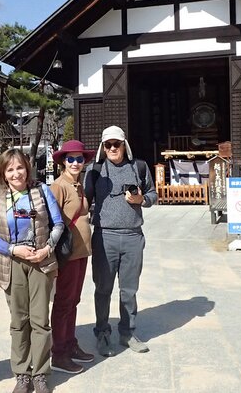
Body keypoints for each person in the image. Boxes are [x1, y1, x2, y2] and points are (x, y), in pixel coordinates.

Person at [0, 149, 64, 393]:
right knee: (19, 322)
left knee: (41, 321)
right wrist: (12, 250)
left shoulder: (41, 192)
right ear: (3, 174)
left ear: (27, 169)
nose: (16, 173)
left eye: (20, 167)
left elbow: (58, 224)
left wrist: (47, 249)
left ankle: (40, 373)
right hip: (13, 264)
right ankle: (22, 374)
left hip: (40, 262)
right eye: (10, 169)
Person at [84, 125, 158, 357]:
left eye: (117, 144)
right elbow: (84, 201)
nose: (113, 148)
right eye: (108, 145)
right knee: (103, 288)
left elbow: (153, 194)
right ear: (103, 147)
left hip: (133, 236)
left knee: (129, 290)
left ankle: (127, 332)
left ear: (125, 145)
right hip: (104, 236)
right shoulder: (94, 170)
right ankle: (102, 333)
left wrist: (141, 199)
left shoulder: (139, 167)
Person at [48, 140, 96, 374]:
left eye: (79, 159)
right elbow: (50, 221)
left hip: (80, 252)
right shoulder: (59, 186)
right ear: (62, 162)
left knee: (73, 300)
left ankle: (70, 343)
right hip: (67, 254)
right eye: (71, 159)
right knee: (63, 303)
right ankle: (59, 352)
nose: (76, 163)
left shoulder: (78, 185)